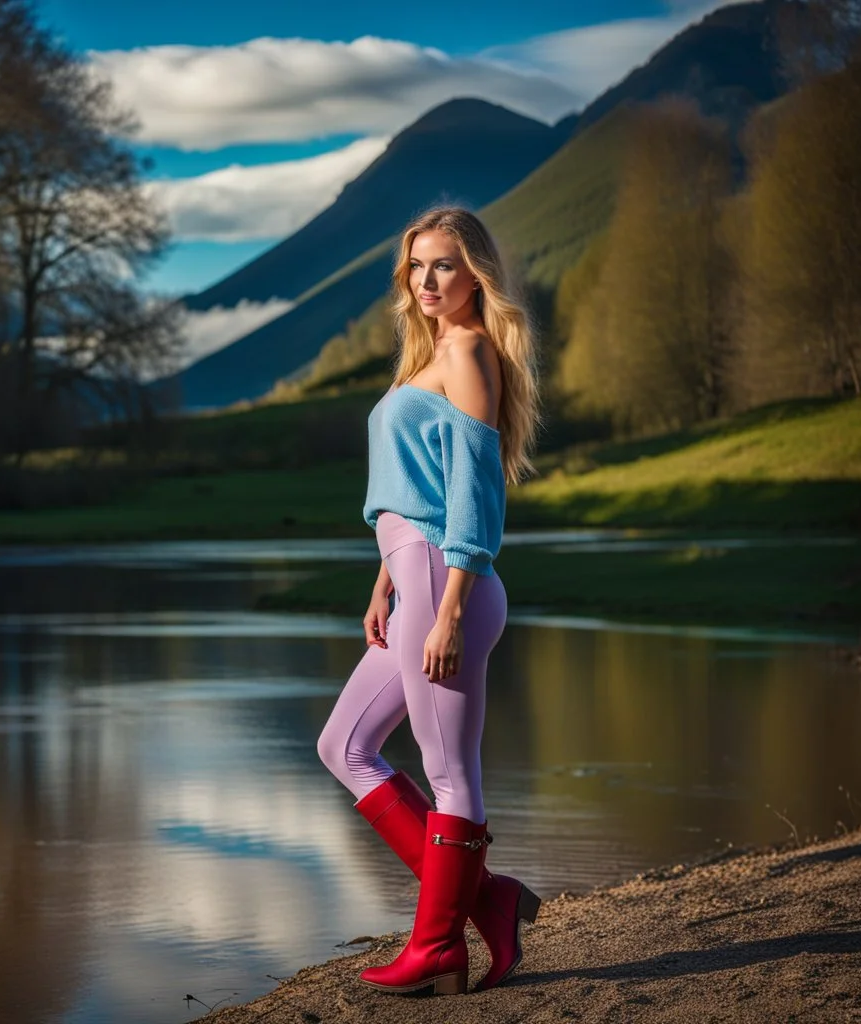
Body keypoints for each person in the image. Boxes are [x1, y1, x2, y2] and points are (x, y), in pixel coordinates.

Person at [317, 206, 542, 996]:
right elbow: (412, 492)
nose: (426, 280)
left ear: (475, 272)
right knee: (344, 747)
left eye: (443, 264)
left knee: (450, 771)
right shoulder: (427, 357)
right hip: (410, 579)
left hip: (448, 588)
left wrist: (446, 613)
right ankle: (488, 902)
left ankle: (438, 944)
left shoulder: (471, 352)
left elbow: (475, 497)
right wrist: (384, 578)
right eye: (416, 265)